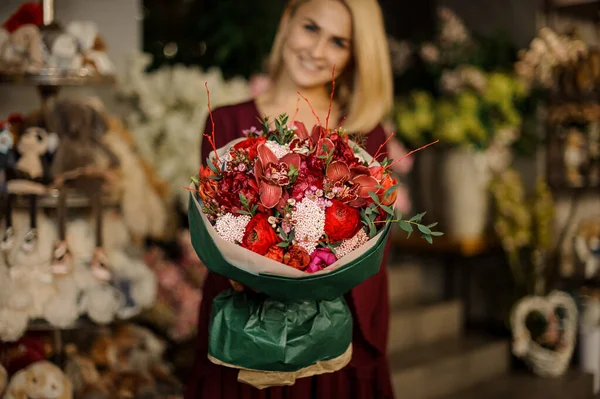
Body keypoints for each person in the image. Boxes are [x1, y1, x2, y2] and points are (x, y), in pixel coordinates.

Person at [185, 0, 395, 398]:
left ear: (353, 57)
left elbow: (370, 244)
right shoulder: (225, 122)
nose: (316, 51)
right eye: (311, 28)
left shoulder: (365, 130)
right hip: (246, 335)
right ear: (287, 22)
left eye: (338, 42)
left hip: (332, 343)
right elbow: (214, 228)